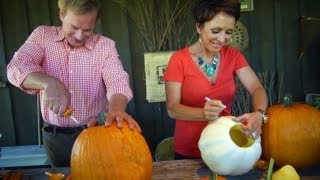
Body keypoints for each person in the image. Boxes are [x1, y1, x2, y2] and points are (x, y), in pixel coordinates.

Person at [6, 0, 140, 167]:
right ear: (62, 14)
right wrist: (49, 82)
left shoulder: (105, 46)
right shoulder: (42, 36)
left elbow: (117, 81)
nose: (79, 36)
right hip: (56, 137)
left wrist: (116, 109)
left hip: (95, 132)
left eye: (87, 30)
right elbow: (16, 67)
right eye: (74, 27)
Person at [163, 0, 268, 160]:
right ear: (199, 26)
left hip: (227, 148)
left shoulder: (233, 56)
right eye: (216, 30)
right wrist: (202, 113)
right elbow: (172, 109)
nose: (222, 38)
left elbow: (256, 88)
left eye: (228, 32)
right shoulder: (179, 60)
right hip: (190, 151)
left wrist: (259, 114)